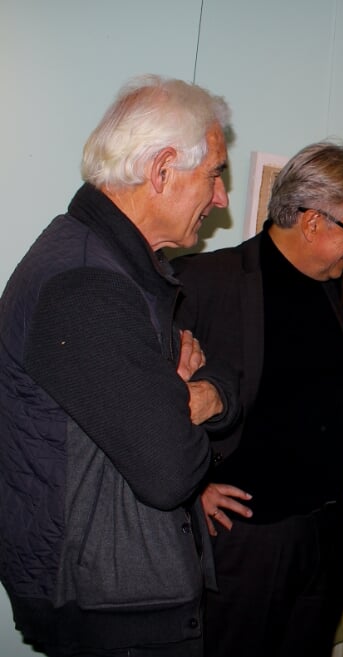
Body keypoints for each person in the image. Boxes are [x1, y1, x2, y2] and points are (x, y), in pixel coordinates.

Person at [0, 74, 238, 656]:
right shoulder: (86, 285)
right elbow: (171, 472)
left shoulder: (114, 266)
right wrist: (192, 399)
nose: (221, 198)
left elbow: (218, 388)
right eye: (213, 174)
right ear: (160, 171)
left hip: (120, 585)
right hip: (112, 608)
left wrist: (197, 396)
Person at [173, 141, 343, 657]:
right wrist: (191, 490)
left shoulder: (329, 286)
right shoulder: (205, 281)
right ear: (313, 222)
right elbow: (148, 403)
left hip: (324, 532)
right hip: (246, 541)